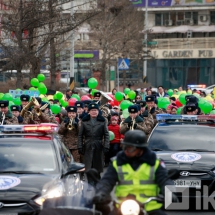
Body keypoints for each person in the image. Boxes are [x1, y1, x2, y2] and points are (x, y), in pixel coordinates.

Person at [93, 130, 176, 215]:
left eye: (130, 148)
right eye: (125, 147)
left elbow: (164, 180)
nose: (126, 150)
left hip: (150, 207)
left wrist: (170, 192)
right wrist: (101, 192)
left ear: (141, 149)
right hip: (123, 207)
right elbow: (107, 181)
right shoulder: (117, 162)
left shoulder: (155, 163)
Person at [78, 103, 109, 175]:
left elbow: (106, 134)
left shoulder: (102, 121)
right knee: (88, 167)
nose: (94, 112)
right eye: (92, 110)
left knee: (97, 168)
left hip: (98, 145)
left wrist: (106, 146)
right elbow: (80, 135)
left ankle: (97, 183)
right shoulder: (85, 121)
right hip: (88, 145)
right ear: (89, 111)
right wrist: (80, 146)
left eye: (95, 110)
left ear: (98, 111)